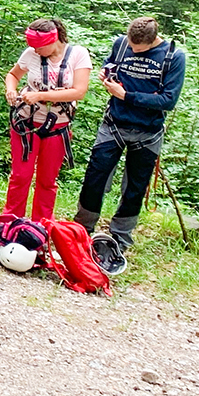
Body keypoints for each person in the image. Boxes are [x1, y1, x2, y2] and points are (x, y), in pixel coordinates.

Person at [75, 17, 187, 268]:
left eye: (140, 49)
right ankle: (82, 227)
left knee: (134, 188)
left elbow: (167, 100)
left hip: (148, 132)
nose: (133, 50)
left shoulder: (173, 57)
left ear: (153, 40)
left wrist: (126, 95)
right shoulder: (121, 44)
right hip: (113, 124)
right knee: (96, 176)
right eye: (131, 46)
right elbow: (110, 65)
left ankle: (120, 238)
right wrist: (107, 76)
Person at [2, 18, 91, 225]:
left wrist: (42, 96)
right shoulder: (31, 54)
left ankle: (41, 225)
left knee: (47, 180)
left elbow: (79, 91)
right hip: (27, 124)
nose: (36, 50)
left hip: (57, 127)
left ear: (54, 39)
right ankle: (9, 222)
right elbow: (13, 75)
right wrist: (11, 89)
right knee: (20, 177)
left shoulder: (78, 55)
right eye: (32, 46)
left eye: (39, 46)